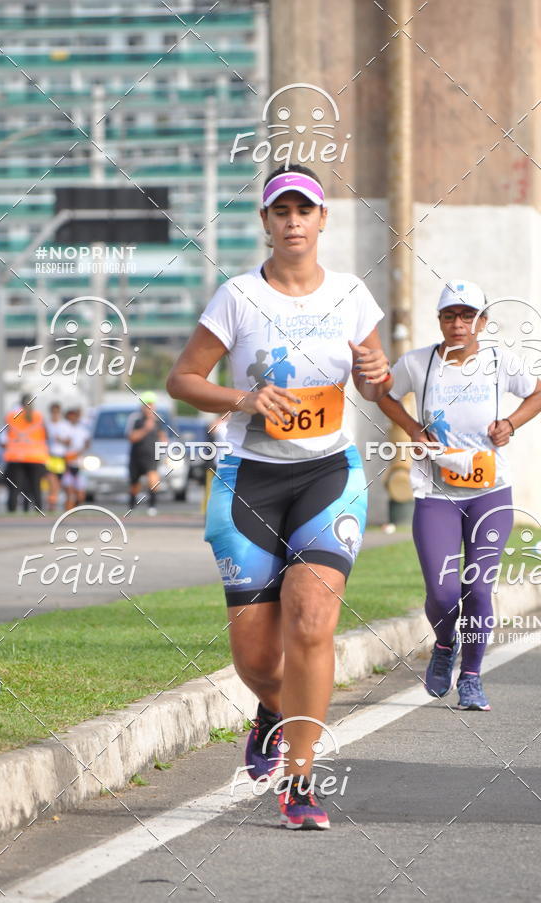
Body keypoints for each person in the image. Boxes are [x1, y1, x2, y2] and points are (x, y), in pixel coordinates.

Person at [167, 163, 392, 830]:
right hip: (249, 478)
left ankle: (300, 778)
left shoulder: (352, 294)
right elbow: (183, 378)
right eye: (281, 210)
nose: (294, 220)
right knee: (259, 660)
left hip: (326, 474)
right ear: (265, 223)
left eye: (306, 209)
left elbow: (374, 383)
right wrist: (243, 398)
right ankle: (271, 709)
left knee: (313, 620)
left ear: (323, 220)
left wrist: (376, 377)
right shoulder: (237, 295)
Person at [379, 280, 541, 711]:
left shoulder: (501, 361)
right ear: (439, 321)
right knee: (442, 593)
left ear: (483, 322)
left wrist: (510, 424)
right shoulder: (418, 363)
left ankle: (472, 677)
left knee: (477, 588)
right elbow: (384, 393)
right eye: (450, 316)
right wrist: (413, 429)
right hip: (436, 492)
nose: (459, 324)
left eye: (468, 316)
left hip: (491, 493)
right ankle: (443, 644)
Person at [3, 393, 48, 512]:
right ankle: (38, 510)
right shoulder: (39, 416)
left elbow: (5, 434)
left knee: (14, 487)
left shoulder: (12, 416)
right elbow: (46, 435)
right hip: (35, 456)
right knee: (35, 486)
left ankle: (11, 511)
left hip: (15, 457)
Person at [126, 392, 167, 516]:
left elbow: (163, 437)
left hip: (151, 456)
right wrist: (145, 429)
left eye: (151, 405)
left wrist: (165, 451)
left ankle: (152, 506)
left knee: (153, 481)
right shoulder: (136, 419)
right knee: (134, 484)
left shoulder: (158, 420)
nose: (149, 408)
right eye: (146, 405)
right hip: (136, 456)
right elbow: (131, 437)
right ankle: (132, 506)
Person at [61, 406, 90, 510]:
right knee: (70, 493)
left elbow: (87, 443)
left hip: (79, 464)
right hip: (67, 464)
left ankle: (73, 509)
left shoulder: (82, 429)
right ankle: (66, 513)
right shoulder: (64, 428)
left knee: (80, 495)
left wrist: (81, 451)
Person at [44, 402, 71, 511]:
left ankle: (52, 503)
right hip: (49, 457)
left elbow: (69, 441)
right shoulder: (46, 424)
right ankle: (51, 506)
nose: (55, 414)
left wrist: (61, 440)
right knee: (52, 483)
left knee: (57, 485)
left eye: (57, 412)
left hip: (60, 458)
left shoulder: (64, 425)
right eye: (53, 412)